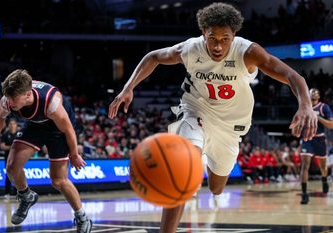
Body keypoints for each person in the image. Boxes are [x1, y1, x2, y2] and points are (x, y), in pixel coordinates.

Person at [108, 2, 317, 233]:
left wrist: (305, 105)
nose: (218, 45)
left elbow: (292, 75)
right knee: (182, 165)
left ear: (234, 35)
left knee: (217, 187)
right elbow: (153, 56)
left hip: (230, 125)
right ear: (203, 34)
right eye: (212, 38)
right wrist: (128, 87)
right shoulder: (190, 49)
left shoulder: (247, 52)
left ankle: (206, 161)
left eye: (224, 38)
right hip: (195, 109)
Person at [0, 69, 92, 233]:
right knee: (11, 167)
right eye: (9, 97)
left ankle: (82, 217)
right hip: (35, 125)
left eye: (14, 99)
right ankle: (26, 195)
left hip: (58, 129)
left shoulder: (51, 103)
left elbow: (69, 129)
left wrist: (74, 154)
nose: (10, 102)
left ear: (27, 95)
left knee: (58, 180)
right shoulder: (9, 99)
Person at [299, 88, 333, 204]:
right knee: (304, 166)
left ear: (319, 96)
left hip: (319, 139)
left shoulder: (324, 107)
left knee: (323, 167)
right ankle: (304, 194)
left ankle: (324, 179)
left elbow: (331, 125)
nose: (312, 93)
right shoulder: (304, 107)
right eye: (311, 91)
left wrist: (317, 117)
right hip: (307, 139)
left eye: (315, 92)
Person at [0, 118, 18, 198]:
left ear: (16, 125)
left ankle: (17, 192)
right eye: (10, 124)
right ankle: (7, 192)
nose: (12, 125)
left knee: (17, 175)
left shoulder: (19, 134)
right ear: (8, 125)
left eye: (13, 124)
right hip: (8, 158)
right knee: (8, 175)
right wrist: (13, 147)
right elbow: (2, 147)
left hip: (17, 158)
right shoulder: (5, 134)